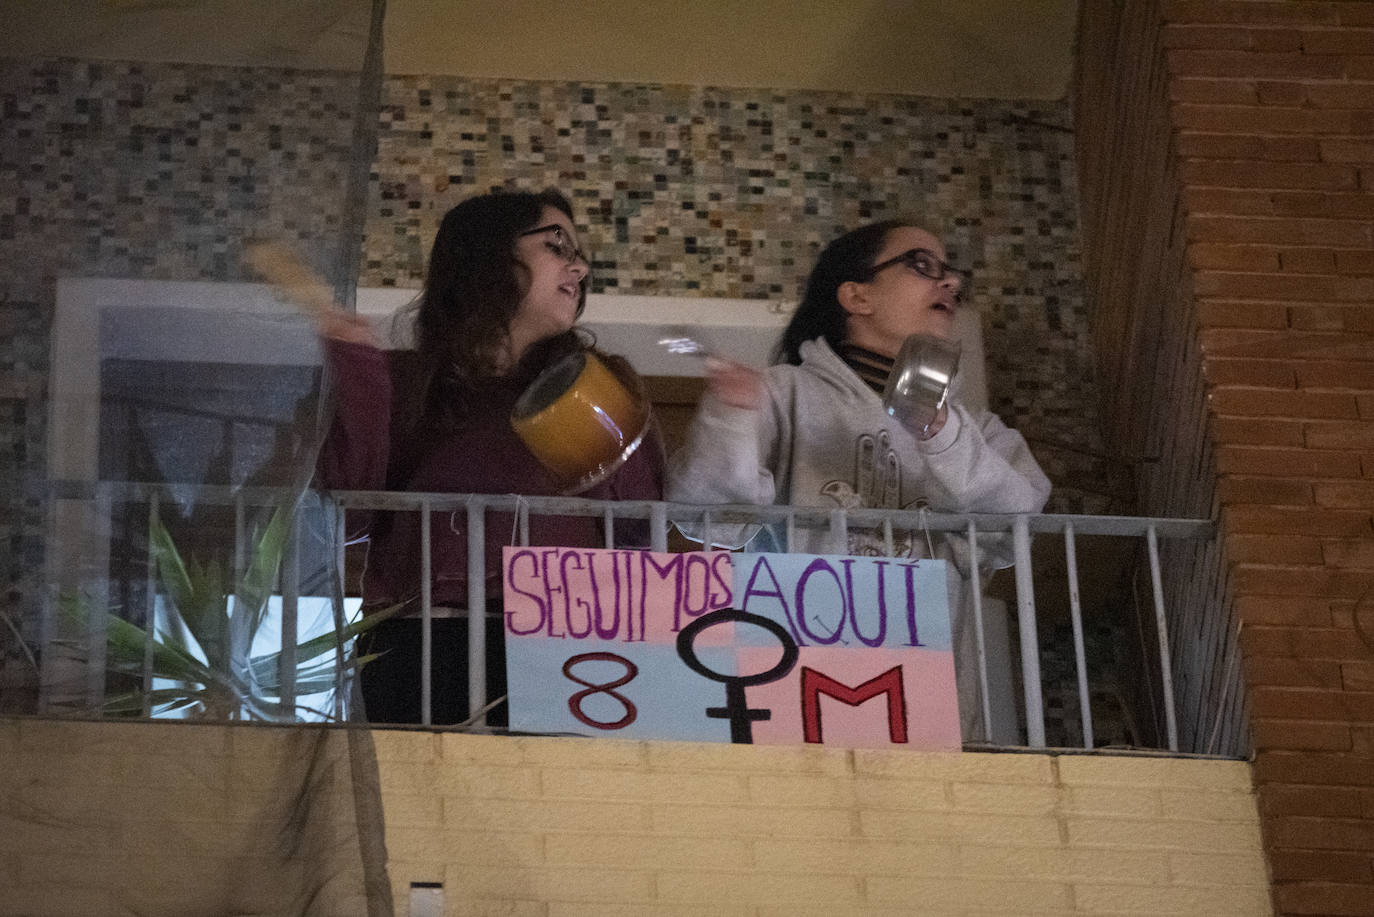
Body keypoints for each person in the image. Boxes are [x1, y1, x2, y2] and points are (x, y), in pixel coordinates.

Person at [665, 219, 1050, 738]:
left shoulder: (976, 430)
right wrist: (731, 417)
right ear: (856, 295)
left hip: (932, 710)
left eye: (952, 274)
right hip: (792, 693)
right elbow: (709, 518)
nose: (950, 284)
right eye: (922, 266)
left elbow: (1017, 527)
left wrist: (941, 432)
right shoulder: (785, 394)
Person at [316, 189, 665, 726]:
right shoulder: (400, 380)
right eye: (557, 244)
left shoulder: (601, 381)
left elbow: (643, 529)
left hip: (570, 638)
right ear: (488, 256)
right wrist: (358, 374)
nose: (580, 265)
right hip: (420, 638)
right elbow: (348, 513)